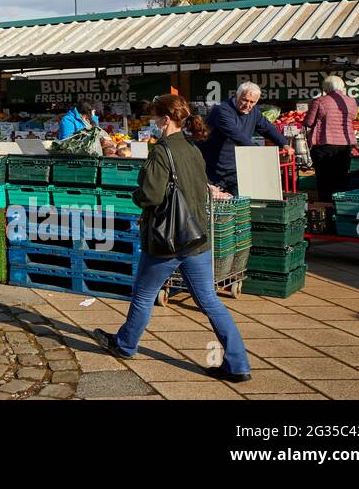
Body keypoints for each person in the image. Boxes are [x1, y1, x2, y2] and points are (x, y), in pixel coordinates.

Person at [92, 94, 252, 383]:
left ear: (166, 120)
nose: (153, 122)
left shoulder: (161, 151)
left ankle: (126, 345)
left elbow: (151, 195)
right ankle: (238, 363)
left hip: (165, 242)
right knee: (210, 302)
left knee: (143, 294)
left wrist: (138, 197)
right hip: (196, 238)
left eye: (155, 118)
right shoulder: (193, 148)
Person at [199, 81, 289, 195]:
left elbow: (267, 128)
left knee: (240, 204)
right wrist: (257, 151)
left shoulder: (254, 111)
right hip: (213, 168)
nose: (248, 105)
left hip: (236, 168)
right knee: (214, 206)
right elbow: (236, 134)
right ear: (236, 96)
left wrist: (284, 144)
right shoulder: (222, 110)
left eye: (252, 102)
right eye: (245, 100)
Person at [303, 76, 358, 201]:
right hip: (345, 144)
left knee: (325, 180)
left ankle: (326, 208)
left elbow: (309, 122)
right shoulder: (351, 101)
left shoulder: (319, 101)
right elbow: (353, 117)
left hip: (324, 145)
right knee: (341, 178)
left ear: (326, 87)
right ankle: (340, 206)